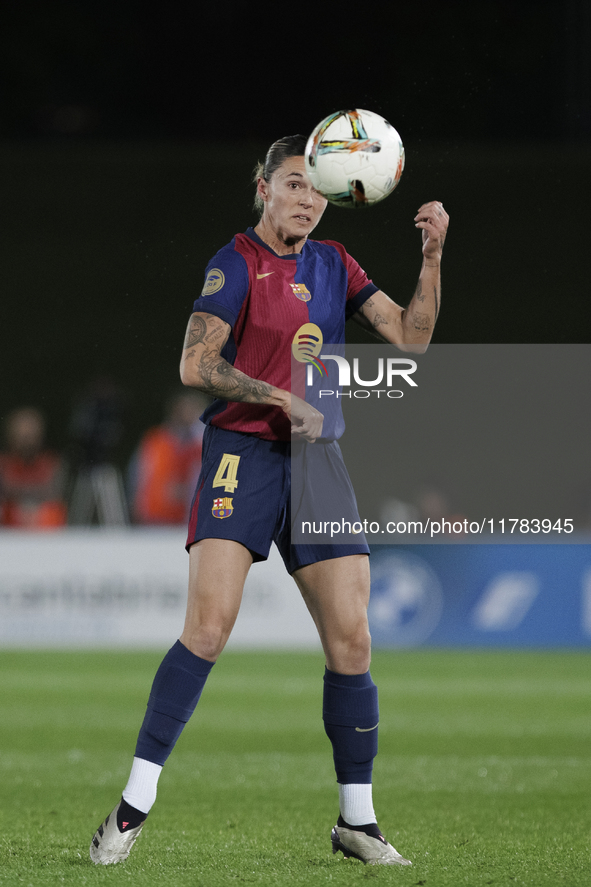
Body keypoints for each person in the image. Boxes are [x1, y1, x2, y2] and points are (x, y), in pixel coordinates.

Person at [89, 133, 449, 867]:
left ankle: (358, 822)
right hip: (241, 458)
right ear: (263, 188)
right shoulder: (235, 263)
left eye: (315, 187)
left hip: (319, 463)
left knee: (352, 640)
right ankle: (130, 809)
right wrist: (279, 396)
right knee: (209, 631)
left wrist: (433, 257)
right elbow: (196, 362)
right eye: (291, 184)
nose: (305, 199)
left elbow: (410, 340)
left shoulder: (333, 263)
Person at [129, 390, 207, 525]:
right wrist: (136, 504)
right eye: (182, 410)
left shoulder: (205, 443)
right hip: (154, 517)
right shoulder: (155, 439)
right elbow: (137, 475)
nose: (186, 415)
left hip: (191, 521)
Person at [0, 407, 67, 529]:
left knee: (52, 509)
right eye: (22, 435)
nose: (26, 440)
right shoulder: (4, 463)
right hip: (10, 526)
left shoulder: (51, 462)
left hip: (45, 525)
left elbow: (54, 491)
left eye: (30, 435)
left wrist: (20, 493)